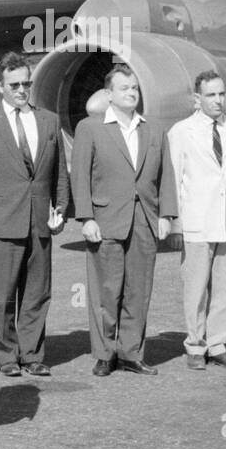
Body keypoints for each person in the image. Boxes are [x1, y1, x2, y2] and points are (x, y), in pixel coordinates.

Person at [70, 62, 177, 376]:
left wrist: (167, 214)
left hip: (144, 219)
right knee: (107, 291)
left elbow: (166, 175)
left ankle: (131, 353)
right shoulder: (89, 128)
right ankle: (105, 353)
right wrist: (86, 218)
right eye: (124, 88)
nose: (131, 93)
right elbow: (80, 177)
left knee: (138, 290)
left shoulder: (154, 128)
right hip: (106, 220)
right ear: (108, 94)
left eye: (134, 88)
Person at [0, 52, 70, 377]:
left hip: (40, 219)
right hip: (2, 222)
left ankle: (32, 353)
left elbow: (60, 174)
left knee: (38, 292)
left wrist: (61, 209)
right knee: (2, 295)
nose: (22, 89)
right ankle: (6, 355)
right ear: (0, 86)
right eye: (14, 84)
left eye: (26, 83)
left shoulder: (49, 120)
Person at [167, 71, 226, 370]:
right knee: (196, 285)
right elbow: (174, 180)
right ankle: (195, 345)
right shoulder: (180, 131)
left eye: (221, 94)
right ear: (197, 98)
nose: (218, 101)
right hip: (197, 218)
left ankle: (217, 344)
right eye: (211, 95)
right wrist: (175, 223)